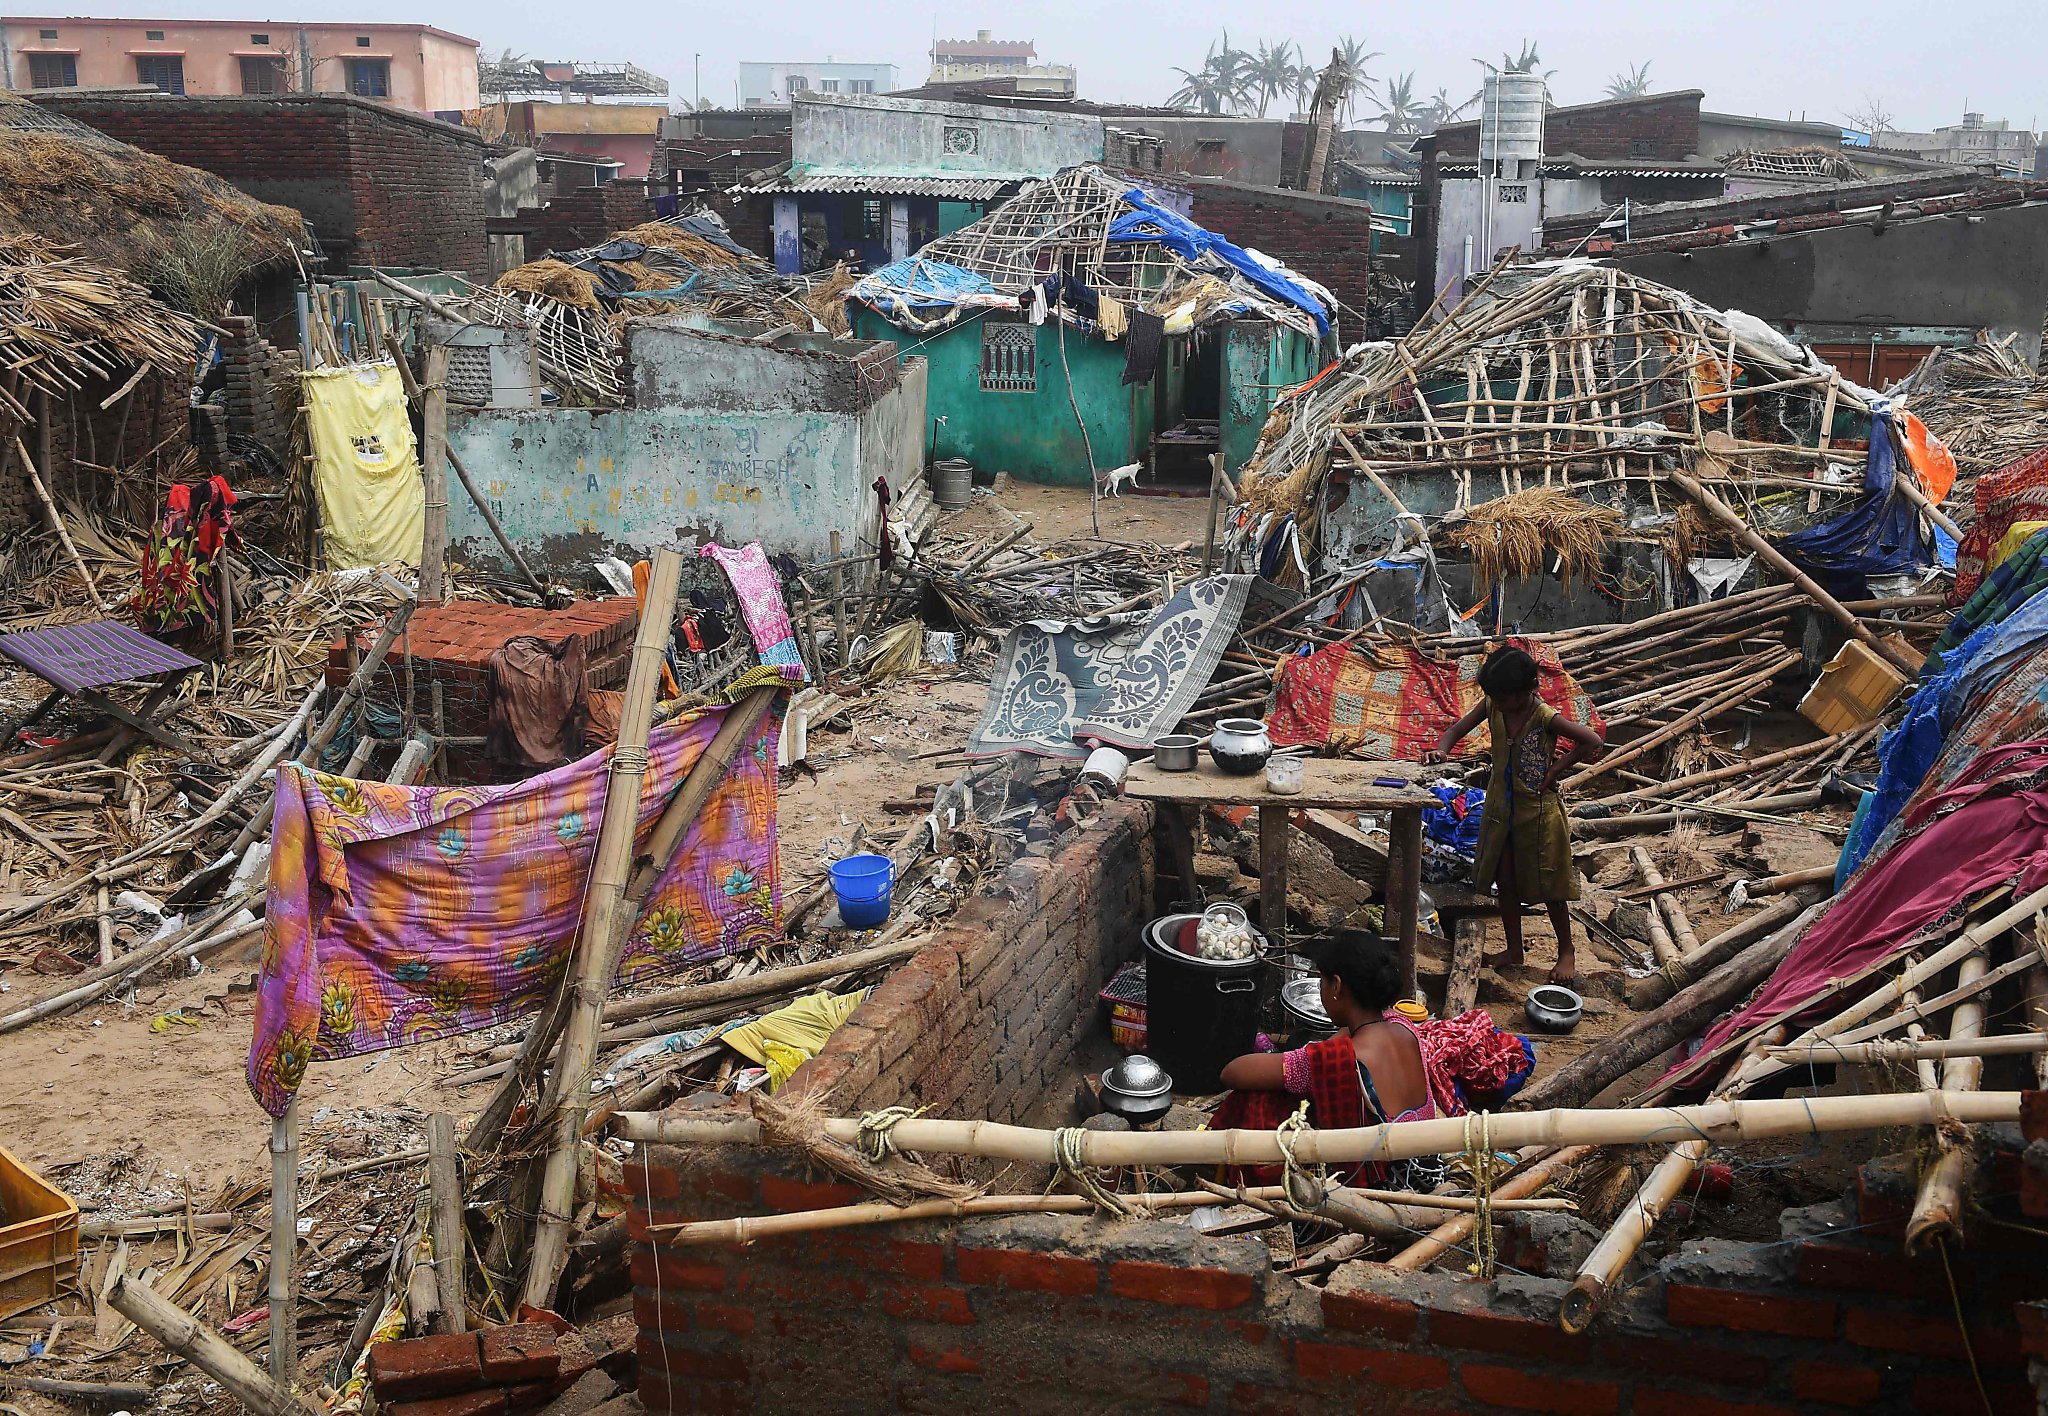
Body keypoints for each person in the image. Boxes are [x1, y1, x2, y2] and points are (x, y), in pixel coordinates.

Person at [1424, 645, 1605, 983]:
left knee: (1551, 883)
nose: (1498, 703)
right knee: (1504, 879)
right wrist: (1440, 750)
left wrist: (1555, 771)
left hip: (1538, 812)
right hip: (1500, 808)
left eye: (1503, 698)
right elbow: (1454, 731)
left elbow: (1591, 740)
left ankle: (1566, 951)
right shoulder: (1494, 703)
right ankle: (1513, 948)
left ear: (1525, 691)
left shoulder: (1544, 716)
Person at [1211, 931, 1440, 1186]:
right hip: (1426, 1165)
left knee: (1257, 1098)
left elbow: (1232, 1072)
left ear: (1337, 986)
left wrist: (1305, 1058)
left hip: (1389, 1181)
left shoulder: (1335, 1060)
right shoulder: (1404, 1026)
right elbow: (1349, 1035)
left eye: (1322, 982)